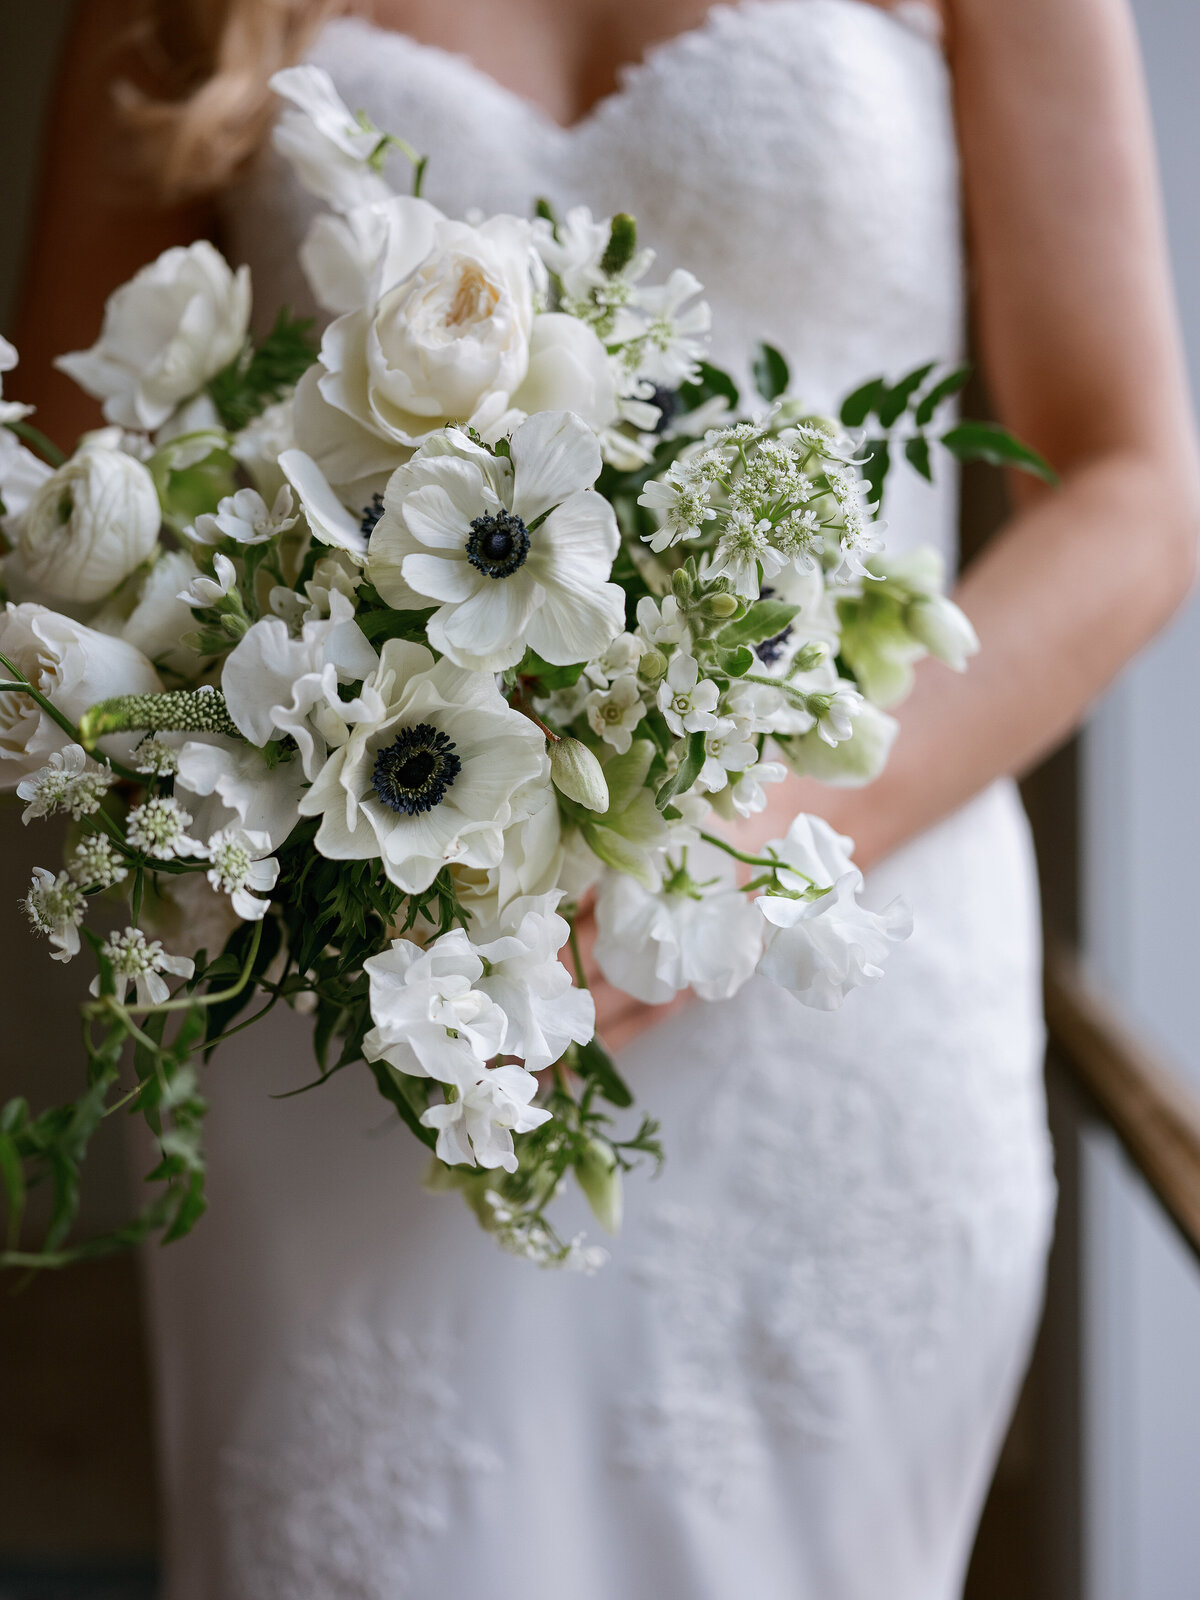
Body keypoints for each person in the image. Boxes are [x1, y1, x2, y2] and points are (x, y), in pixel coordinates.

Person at [11, 1, 1198, 1596]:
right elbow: (70, 493)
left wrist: (728, 837)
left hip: (835, 969)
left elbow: (1133, 487)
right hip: (356, 1002)